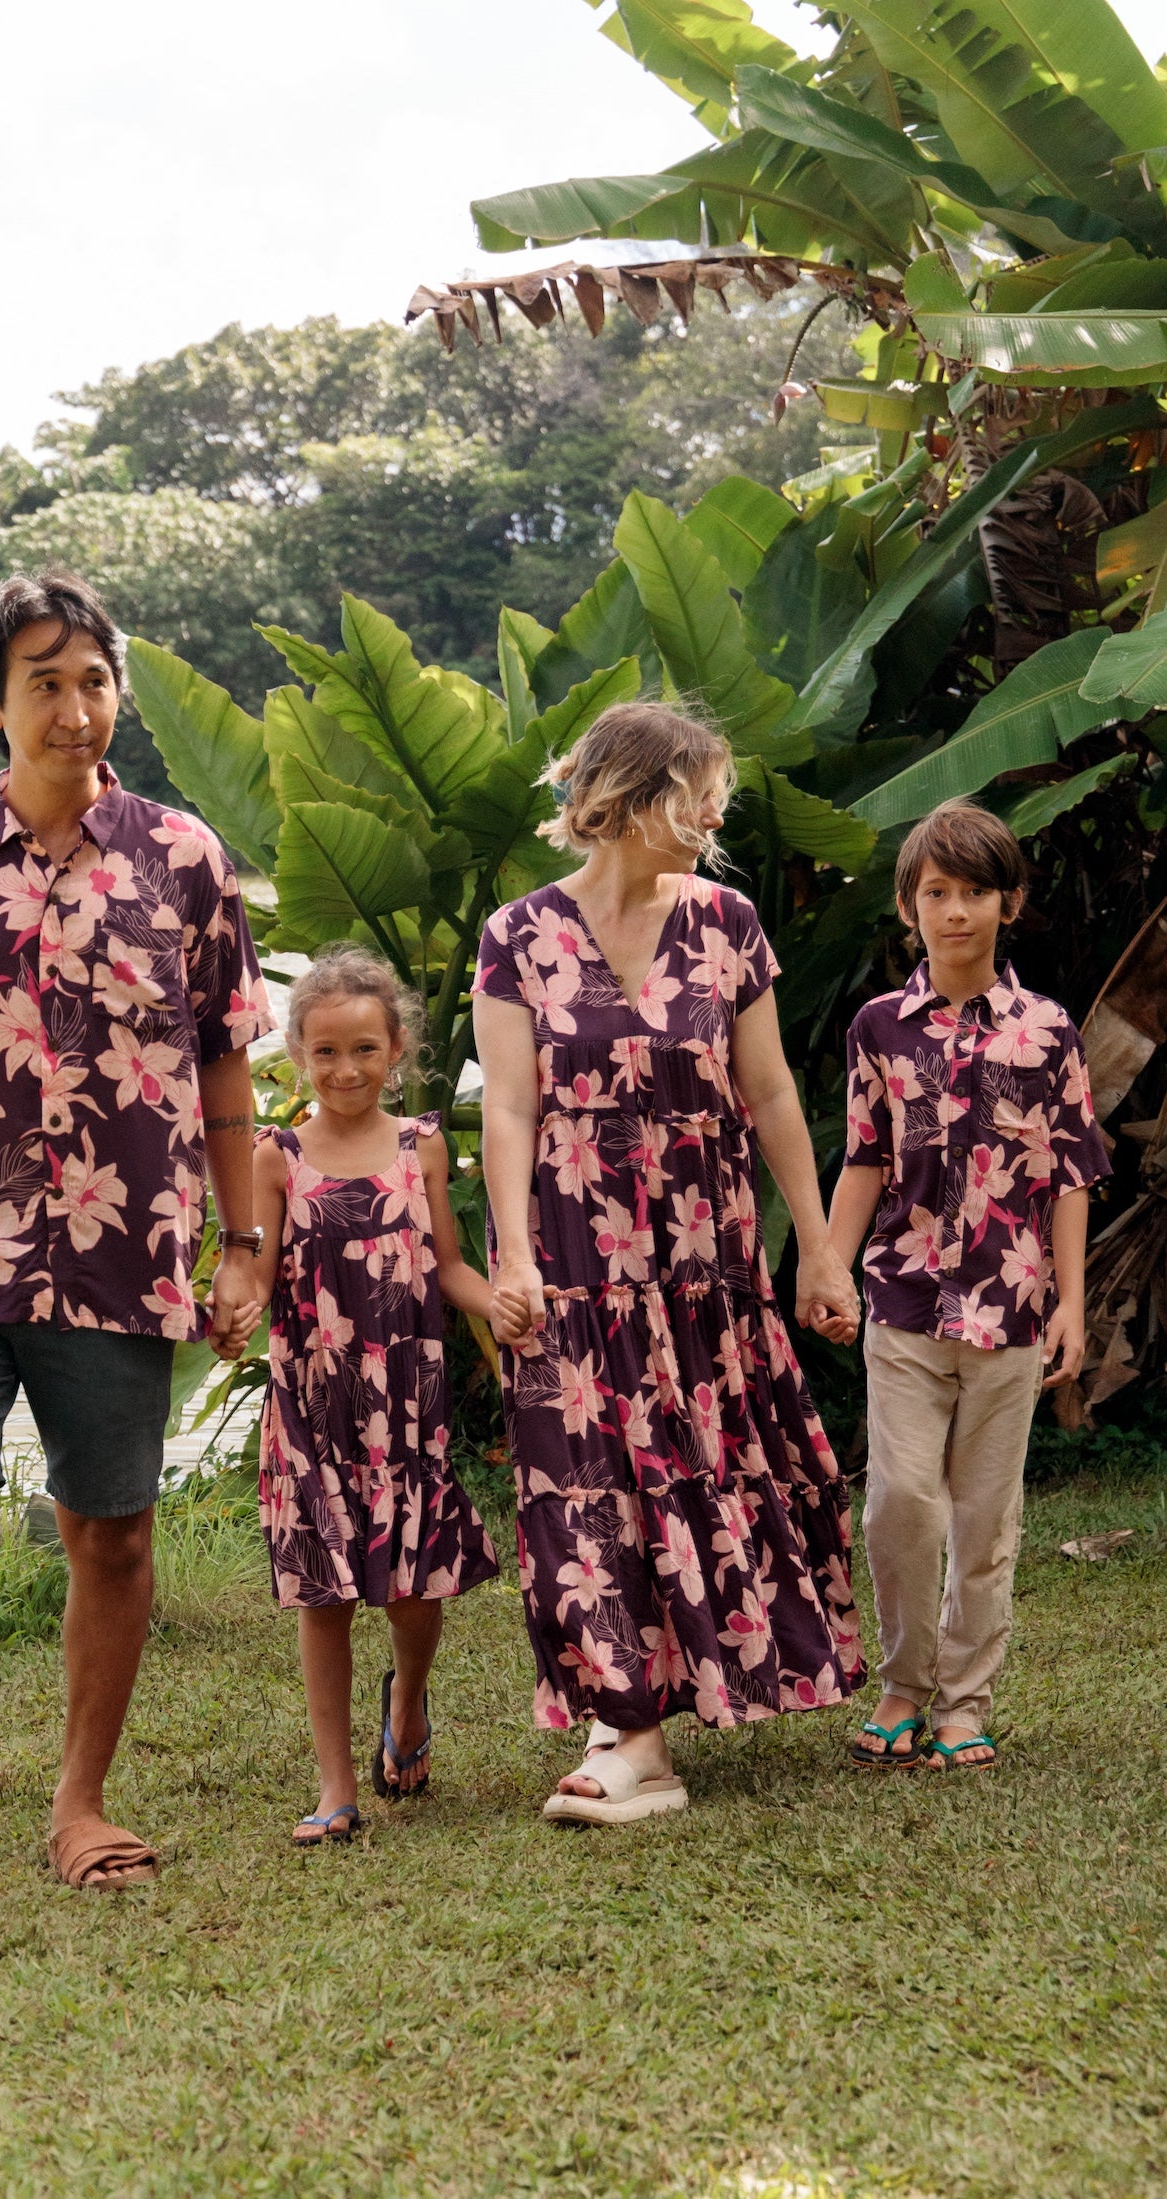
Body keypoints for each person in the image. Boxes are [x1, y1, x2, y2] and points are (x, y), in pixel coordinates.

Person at [0, 567, 272, 1920]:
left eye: (93, 679)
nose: (75, 708)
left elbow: (225, 1076)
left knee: (113, 1536)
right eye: (43, 682)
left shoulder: (184, 858)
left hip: (125, 1247)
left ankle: (80, 1802)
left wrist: (242, 1245)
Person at [474, 702, 864, 1826]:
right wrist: (511, 1255)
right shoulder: (520, 935)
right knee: (580, 1479)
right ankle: (626, 1737)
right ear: (635, 795)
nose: (716, 813)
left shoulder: (728, 923)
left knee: (706, 1466)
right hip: (572, 1261)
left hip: (704, 1259)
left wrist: (821, 1250)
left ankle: (665, 1715)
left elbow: (774, 1091)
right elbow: (507, 1108)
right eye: (701, 791)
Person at [830, 799, 1110, 1773]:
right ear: (910, 907)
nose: (955, 910)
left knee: (987, 1522)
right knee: (901, 1502)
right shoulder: (879, 1030)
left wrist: (1072, 1302)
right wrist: (828, 1264)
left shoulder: (1047, 1033)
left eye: (975, 892)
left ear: (1010, 903)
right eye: (936, 892)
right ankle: (905, 1686)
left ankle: (963, 1705)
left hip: (1013, 1313)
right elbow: (865, 1158)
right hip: (903, 1307)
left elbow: (1070, 1174)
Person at [244, 947, 506, 1845]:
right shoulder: (274, 1157)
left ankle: (409, 1699)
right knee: (322, 1595)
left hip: (405, 1405)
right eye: (325, 1052)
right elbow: (256, 1271)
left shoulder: (419, 1145)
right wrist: (231, 1308)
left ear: (397, 1048)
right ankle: (335, 1781)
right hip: (313, 1407)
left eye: (363, 1048)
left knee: (411, 1592)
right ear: (296, 1056)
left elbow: (451, 1268)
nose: (345, 1069)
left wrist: (503, 1306)